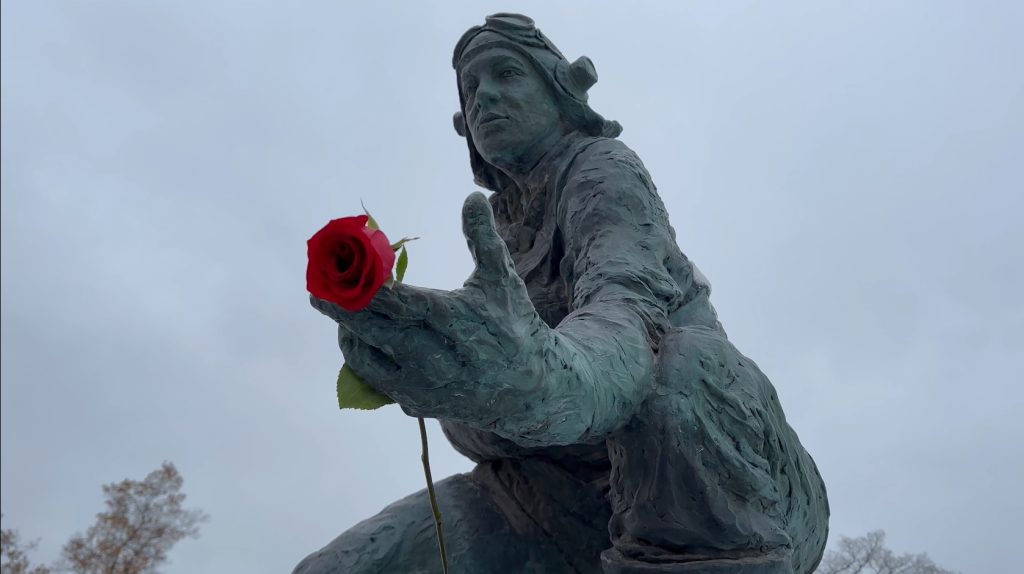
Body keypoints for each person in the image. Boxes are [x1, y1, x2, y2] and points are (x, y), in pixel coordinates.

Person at [295, 13, 828, 574]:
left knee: (679, 370)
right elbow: (497, 424)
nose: (486, 97)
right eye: (472, 89)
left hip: (720, 489)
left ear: (558, 90)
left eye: (506, 74)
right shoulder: (503, 229)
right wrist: (457, 393)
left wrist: (535, 384)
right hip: (553, 506)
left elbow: (628, 319)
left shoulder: (601, 168)